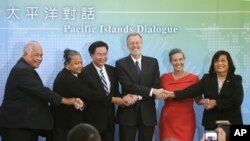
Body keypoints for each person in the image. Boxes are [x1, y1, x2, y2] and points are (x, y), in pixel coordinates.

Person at [0, 41, 83, 141]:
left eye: (41, 55)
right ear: (25, 54)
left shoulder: (24, 68)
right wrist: (68, 101)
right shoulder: (22, 70)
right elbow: (42, 92)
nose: (39, 59)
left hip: (24, 125)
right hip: (17, 126)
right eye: (36, 55)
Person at [165, 50, 244, 131]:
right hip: (211, 124)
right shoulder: (207, 78)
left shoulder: (236, 79)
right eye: (216, 61)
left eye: (223, 60)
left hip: (232, 123)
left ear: (229, 63)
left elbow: (237, 100)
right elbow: (191, 91)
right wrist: (172, 94)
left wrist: (215, 102)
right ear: (213, 64)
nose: (219, 63)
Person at [115, 33, 166, 141]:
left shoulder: (153, 62)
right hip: (127, 114)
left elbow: (156, 85)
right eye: (131, 43)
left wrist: (139, 97)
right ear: (127, 46)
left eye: (137, 42)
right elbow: (128, 86)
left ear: (142, 44)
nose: (135, 46)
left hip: (147, 114)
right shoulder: (120, 63)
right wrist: (152, 91)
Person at [79, 41, 127, 141]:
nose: (103, 57)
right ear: (91, 55)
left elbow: (115, 93)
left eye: (105, 54)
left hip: (110, 120)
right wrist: (113, 99)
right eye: (99, 54)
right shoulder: (84, 72)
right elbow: (88, 95)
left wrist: (125, 98)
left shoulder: (112, 70)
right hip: (92, 120)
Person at [159, 48, 202, 141]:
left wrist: (206, 102)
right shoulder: (164, 78)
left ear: (184, 60)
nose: (178, 62)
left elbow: (198, 100)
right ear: (170, 62)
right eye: (175, 60)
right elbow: (156, 94)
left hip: (186, 120)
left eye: (181, 59)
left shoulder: (194, 78)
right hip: (168, 120)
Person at [50, 49, 88, 141]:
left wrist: (81, 104)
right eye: (76, 63)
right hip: (64, 128)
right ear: (67, 63)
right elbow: (89, 95)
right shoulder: (67, 78)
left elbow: (82, 97)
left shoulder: (74, 75)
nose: (80, 66)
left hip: (70, 126)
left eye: (81, 62)